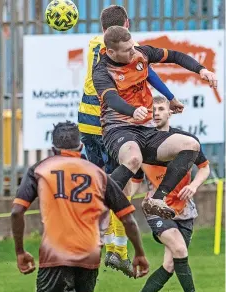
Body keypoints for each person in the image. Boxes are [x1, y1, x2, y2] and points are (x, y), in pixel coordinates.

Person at [11, 121, 149, 292]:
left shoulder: (40, 169)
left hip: (56, 254)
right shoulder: (97, 173)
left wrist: (19, 251)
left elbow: (16, 213)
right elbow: (128, 219)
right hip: (90, 254)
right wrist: (140, 253)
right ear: (82, 146)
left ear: (53, 147)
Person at [79, 5, 184, 275]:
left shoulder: (94, 43)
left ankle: (104, 245)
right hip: (110, 121)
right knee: (121, 183)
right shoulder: (129, 46)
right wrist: (170, 95)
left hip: (85, 119)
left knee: (105, 181)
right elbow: (148, 72)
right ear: (126, 23)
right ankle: (118, 250)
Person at [92, 26, 217, 220]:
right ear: (111, 52)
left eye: (132, 47)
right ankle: (97, 205)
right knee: (134, 159)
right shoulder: (102, 71)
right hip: (117, 130)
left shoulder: (141, 53)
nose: (133, 52)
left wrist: (202, 70)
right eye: (127, 50)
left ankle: (157, 199)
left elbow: (175, 56)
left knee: (191, 145)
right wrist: (132, 110)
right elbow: (112, 100)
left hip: (147, 130)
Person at [122, 96, 220, 292]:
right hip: (156, 208)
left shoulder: (183, 141)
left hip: (184, 209)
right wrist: (122, 200)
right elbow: (135, 181)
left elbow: (204, 168)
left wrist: (194, 186)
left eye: (160, 108)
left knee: (169, 265)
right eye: (152, 109)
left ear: (169, 112)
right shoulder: (142, 146)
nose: (156, 112)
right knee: (179, 248)